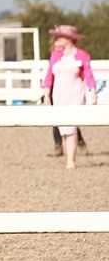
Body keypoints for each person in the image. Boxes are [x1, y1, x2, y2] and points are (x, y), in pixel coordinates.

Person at [42, 24, 97, 169]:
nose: (56, 40)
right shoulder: (55, 56)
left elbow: (88, 75)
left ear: (69, 39)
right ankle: (70, 157)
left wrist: (93, 93)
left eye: (60, 37)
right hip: (59, 94)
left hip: (75, 93)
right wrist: (46, 94)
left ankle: (70, 161)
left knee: (71, 127)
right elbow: (49, 76)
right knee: (63, 128)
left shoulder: (82, 55)